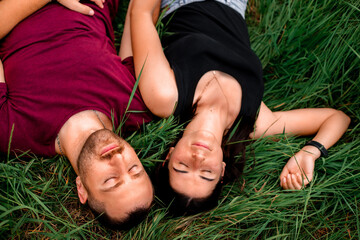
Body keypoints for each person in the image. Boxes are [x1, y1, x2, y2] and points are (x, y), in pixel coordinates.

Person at [123, 0, 351, 215]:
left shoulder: (165, 96)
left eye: (182, 167)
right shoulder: (255, 121)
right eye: (206, 173)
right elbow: (336, 118)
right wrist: (309, 153)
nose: (198, 158)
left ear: (169, 157)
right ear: (222, 170)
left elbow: (141, 13)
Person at [0, 0, 154, 229]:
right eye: (134, 169)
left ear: (81, 188)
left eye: (111, 180)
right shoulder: (137, 106)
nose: (119, 160)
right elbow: (138, 15)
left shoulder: (13, 132)